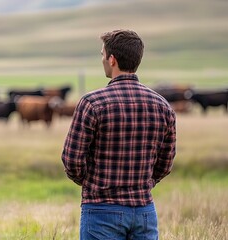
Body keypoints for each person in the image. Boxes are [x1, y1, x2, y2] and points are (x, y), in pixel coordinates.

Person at [61, 29, 176, 239]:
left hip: (101, 210)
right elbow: (165, 163)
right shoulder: (162, 106)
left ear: (112, 60)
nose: (102, 59)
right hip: (144, 210)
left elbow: (72, 160)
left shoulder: (92, 103)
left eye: (102, 54)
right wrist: (145, 184)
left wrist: (92, 183)